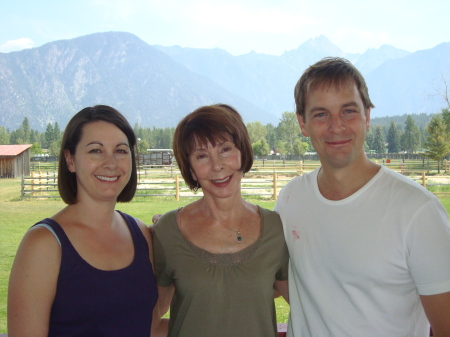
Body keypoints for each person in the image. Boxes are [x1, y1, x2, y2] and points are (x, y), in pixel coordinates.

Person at [275, 57, 450, 337]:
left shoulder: (418, 211)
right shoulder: (290, 200)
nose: (336, 126)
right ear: (302, 123)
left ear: (367, 116)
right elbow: (279, 277)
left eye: (349, 111)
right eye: (321, 114)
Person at [8, 105, 164, 336]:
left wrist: (176, 234)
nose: (110, 163)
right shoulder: (44, 244)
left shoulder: (142, 235)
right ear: (70, 160)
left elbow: (148, 325)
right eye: (95, 151)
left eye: (121, 151)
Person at [152, 104, 289, 337]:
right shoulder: (167, 231)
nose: (217, 165)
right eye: (202, 156)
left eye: (225, 149)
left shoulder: (275, 228)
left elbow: (306, 307)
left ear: (242, 153)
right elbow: (150, 318)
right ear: (192, 170)